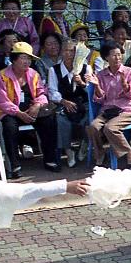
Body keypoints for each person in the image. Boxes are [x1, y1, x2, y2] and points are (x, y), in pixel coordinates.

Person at [0, 41, 60, 176]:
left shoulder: (33, 74)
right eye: (23, 57)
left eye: (29, 58)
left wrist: (37, 105)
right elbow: (2, 101)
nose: (27, 61)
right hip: (11, 112)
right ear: (14, 59)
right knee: (9, 127)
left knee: (49, 119)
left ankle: (50, 159)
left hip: (32, 109)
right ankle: (14, 165)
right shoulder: (2, 76)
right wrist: (18, 113)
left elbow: (42, 93)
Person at [85, 42, 131, 168]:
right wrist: (97, 85)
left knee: (110, 128)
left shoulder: (129, 71)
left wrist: (126, 86)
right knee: (93, 127)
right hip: (109, 110)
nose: (118, 58)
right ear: (106, 58)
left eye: (119, 55)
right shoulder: (101, 75)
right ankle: (100, 154)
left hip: (127, 108)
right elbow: (99, 99)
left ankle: (129, 152)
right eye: (114, 55)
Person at [46, 38, 91, 167]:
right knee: (61, 120)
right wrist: (63, 101)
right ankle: (68, 149)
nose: (69, 54)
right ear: (61, 52)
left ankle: (85, 144)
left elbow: (91, 90)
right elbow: (52, 91)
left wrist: (82, 83)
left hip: (83, 103)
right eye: (66, 50)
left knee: (90, 119)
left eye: (72, 51)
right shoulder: (54, 70)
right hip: (64, 103)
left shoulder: (86, 68)